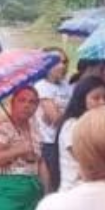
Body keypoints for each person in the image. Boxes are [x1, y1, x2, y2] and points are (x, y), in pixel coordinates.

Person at [56, 74, 105, 192]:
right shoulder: (72, 125)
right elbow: (86, 160)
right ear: (82, 99)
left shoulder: (104, 125)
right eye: (96, 98)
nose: (102, 102)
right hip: (74, 191)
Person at [34, 48, 71, 191]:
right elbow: (55, 119)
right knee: (50, 187)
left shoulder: (66, 86)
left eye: (64, 62)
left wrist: (62, 113)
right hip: (48, 143)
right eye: (56, 62)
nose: (62, 66)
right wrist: (66, 114)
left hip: (64, 141)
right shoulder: (42, 87)